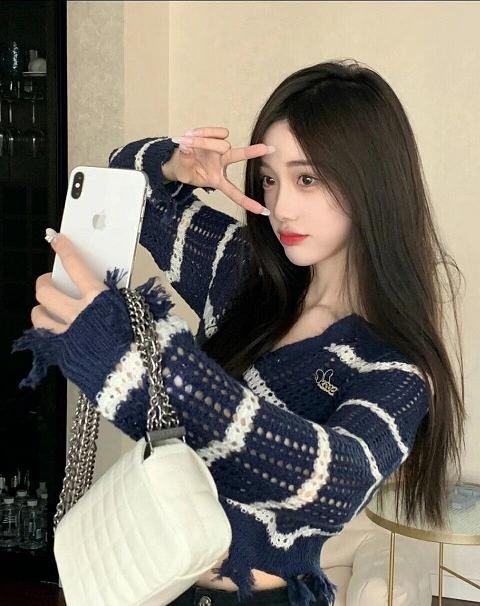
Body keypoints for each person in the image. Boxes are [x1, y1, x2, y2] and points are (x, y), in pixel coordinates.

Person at [11, 59, 466, 606]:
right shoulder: (243, 273)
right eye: (270, 179)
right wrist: (175, 163)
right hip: (161, 580)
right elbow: (124, 181)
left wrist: (140, 362)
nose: (280, 206)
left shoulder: (396, 367)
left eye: (307, 179)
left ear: (372, 183)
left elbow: (330, 482)